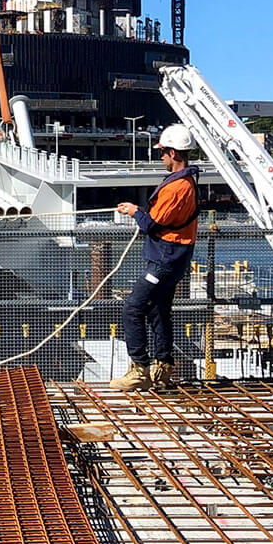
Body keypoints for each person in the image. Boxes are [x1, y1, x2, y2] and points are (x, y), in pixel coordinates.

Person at [111, 123, 200, 393]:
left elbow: (151, 224)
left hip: (165, 259)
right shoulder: (186, 182)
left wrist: (134, 210)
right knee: (158, 309)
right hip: (174, 258)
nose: (161, 157)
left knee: (133, 307)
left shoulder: (177, 187)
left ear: (173, 153)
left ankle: (139, 369)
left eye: (162, 153)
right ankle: (163, 367)